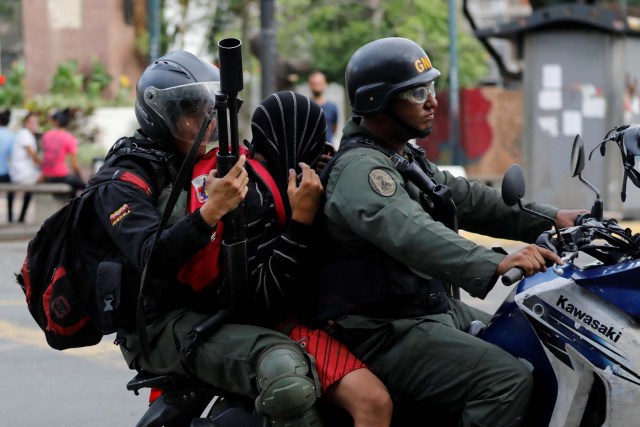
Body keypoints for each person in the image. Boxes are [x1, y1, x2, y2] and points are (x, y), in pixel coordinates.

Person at [308, 37, 589, 427]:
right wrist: (494, 262)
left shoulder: (401, 156)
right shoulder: (361, 171)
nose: (432, 101)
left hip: (424, 309)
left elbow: (469, 198)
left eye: (432, 87)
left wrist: (554, 218)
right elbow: (411, 232)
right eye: (417, 92)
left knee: (533, 330)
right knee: (505, 381)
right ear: (378, 101)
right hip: (380, 331)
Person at [94, 50, 325, 426]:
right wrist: (209, 212)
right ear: (159, 116)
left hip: (214, 305)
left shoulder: (208, 160)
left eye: (206, 110)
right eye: (189, 112)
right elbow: (151, 258)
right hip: (160, 322)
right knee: (284, 372)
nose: (203, 121)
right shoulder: (124, 179)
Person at [245, 90, 392, 426]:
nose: (321, 153)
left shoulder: (298, 174)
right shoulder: (253, 195)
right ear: (291, 140)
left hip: (321, 313)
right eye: (315, 142)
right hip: (279, 324)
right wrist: (301, 221)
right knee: (374, 403)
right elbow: (265, 300)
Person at [40, 108, 86, 195]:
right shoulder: (69, 137)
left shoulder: (46, 135)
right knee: (84, 185)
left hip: (47, 176)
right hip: (60, 176)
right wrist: (80, 177)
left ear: (55, 122)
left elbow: (45, 157)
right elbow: (74, 165)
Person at [9, 112, 41, 223]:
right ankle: (22, 217)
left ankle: (20, 216)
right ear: (26, 123)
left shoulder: (26, 134)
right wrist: (44, 165)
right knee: (43, 178)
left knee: (31, 189)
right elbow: (33, 155)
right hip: (22, 172)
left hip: (24, 171)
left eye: (37, 122)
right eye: (32, 121)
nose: (35, 124)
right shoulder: (24, 134)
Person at [308, 71, 339, 146]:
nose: (317, 86)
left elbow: (334, 128)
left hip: (327, 149)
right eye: (314, 83)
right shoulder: (305, 105)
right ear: (310, 85)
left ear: (325, 84)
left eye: (319, 83)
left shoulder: (332, 107)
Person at [0, 109, 15, 223]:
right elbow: (13, 155)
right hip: (4, 173)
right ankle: (10, 216)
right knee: (11, 191)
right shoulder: (11, 136)